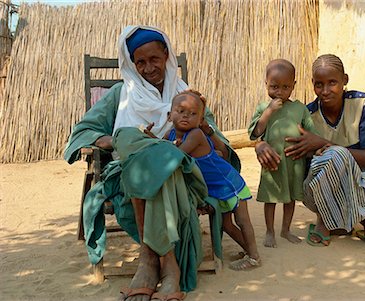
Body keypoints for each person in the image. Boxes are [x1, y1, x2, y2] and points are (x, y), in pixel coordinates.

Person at [64, 26, 240, 301]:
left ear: (166, 55)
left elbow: (217, 140)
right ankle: (169, 267)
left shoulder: (185, 96)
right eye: (140, 62)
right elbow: (83, 132)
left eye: (154, 59)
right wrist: (117, 140)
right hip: (133, 169)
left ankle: (149, 260)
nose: (148, 68)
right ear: (132, 63)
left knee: (163, 160)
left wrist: (202, 125)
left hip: (179, 173)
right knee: (137, 144)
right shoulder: (122, 94)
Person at [255, 54, 365, 249]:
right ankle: (327, 219)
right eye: (319, 84)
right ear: (312, 84)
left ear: (345, 80)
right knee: (334, 155)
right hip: (320, 193)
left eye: (332, 82)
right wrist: (259, 145)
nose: (325, 90)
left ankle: (364, 217)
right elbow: (279, 139)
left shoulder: (361, 103)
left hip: (363, 178)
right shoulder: (306, 114)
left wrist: (322, 142)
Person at [161, 91, 261, 270]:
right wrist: (151, 138)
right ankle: (248, 250)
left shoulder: (196, 135)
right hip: (216, 188)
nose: (186, 116)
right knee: (227, 225)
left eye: (193, 114)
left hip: (229, 183)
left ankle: (254, 257)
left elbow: (177, 155)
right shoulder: (170, 135)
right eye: (181, 110)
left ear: (200, 120)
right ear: (169, 116)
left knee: (242, 221)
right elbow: (162, 146)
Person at [248, 59, 316, 248]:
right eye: (274, 86)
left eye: (286, 87)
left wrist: (310, 142)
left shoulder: (300, 108)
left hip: (294, 161)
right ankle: (270, 231)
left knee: (291, 197)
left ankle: (285, 230)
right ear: (266, 84)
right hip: (273, 161)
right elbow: (256, 132)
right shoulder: (263, 108)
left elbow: (311, 133)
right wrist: (269, 111)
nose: (280, 91)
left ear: (293, 86)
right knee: (271, 199)